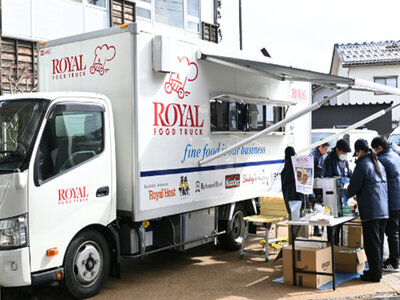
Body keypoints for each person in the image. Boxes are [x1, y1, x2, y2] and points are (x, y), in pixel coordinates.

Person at [346, 139, 388, 282]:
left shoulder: (362, 165)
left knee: (371, 244)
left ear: (360, 151)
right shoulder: (379, 163)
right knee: (379, 243)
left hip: (371, 210)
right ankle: (378, 272)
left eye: (356, 153)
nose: (357, 155)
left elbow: (352, 187)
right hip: (383, 209)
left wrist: (343, 196)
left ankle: (374, 275)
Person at [371, 136, 400, 272]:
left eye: (374, 149)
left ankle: (394, 262)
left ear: (379, 148)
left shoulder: (383, 160)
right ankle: (397, 258)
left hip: (393, 201)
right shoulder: (395, 155)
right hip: (398, 198)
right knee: (397, 231)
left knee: (391, 232)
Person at [310, 142, 330, 236]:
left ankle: (323, 226)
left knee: (323, 207)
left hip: (322, 184)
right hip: (314, 185)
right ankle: (316, 228)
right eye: (325, 149)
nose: (326, 151)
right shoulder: (313, 156)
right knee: (315, 208)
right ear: (320, 147)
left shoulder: (324, 155)